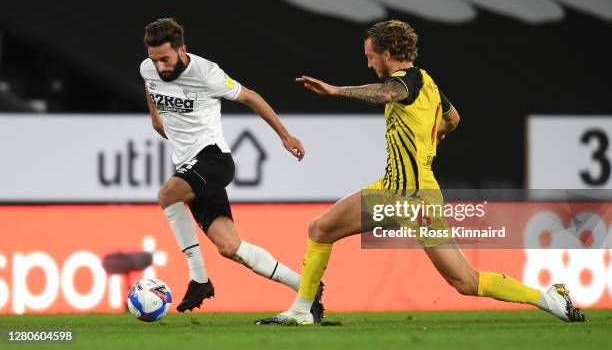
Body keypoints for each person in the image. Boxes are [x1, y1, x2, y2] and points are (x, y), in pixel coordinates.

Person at [257, 20, 585, 325]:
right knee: (463, 280)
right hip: (411, 192)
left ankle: (302, 310)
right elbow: (454, 118)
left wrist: (337, 90)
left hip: (404, 194)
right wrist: (434, 134)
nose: (369, 63)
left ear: (387, 53)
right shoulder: (429, 82)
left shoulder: (407, 81)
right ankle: (549, 299)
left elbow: (388, 93)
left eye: (371, 56)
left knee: (321, 230)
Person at [140, 18, 324, 318]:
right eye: (154, 59)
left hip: (214, 160)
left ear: (182, 49)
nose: (160, 66)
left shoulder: (207, 74)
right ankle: (307, 288)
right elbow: (150, 84)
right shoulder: (148, 69)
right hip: (187, 165)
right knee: (230, 247)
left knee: (167, 194)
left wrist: (285, 135)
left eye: (165, 59)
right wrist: (156, 119)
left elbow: (251, 97)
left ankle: (198, 278)